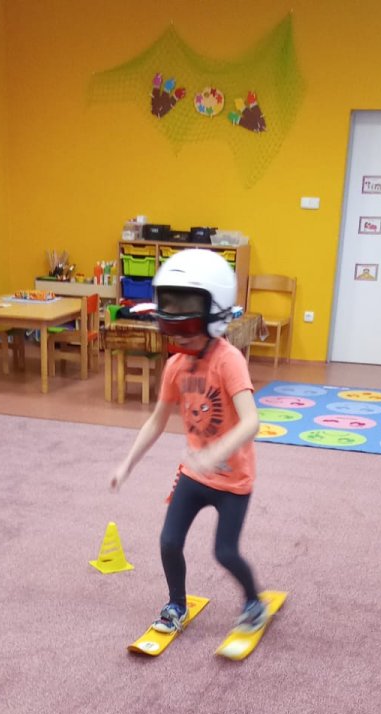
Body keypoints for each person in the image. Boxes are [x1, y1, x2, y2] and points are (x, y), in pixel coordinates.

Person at [109, 248, 267, 634]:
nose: (181, 337)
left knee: (225, 552)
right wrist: (127, 464)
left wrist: (216, 453)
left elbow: (251, 421)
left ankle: (253, 601)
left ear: (214, 317)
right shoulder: (175, 366)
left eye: (189, 326)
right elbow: (156, 421)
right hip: (194, 475)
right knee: (168, 542)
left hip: (233, 480)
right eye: (174, 327)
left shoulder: (229, 360)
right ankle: (175, 604)